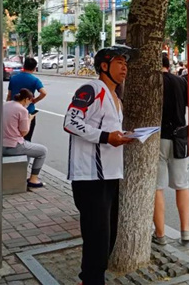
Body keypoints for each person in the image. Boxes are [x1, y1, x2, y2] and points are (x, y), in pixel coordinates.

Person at [64, 45, 136, 285]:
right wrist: (107, 137)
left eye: (126, 63)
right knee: (97, 237)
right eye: (119, 62)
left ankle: (90, 278)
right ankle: (92, 280)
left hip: (110, 174)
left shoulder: (116, 97)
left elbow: (108, 130)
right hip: (90, 177)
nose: (125, 67)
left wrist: (123, 136)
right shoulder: (92, 89)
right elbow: (71, 122)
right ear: (104, 66)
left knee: (108, 235)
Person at [153, 54, 189, 245]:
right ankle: (185, 231)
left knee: (157, 187)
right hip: (180, 139)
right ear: (168, 65)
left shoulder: (152, 83)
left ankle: (160, 234)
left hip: (158, 138)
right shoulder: (181, 81)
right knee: (182, 185)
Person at [2, 89, 48, 188]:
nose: (30, 103)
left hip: (0, 144)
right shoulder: (22, 110)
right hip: (13, 145)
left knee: (29, 149)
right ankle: (33, 180)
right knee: (42, 151)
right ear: (26, 99)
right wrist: (29, 119)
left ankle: (20, 176)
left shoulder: (6, 105)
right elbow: (24, 132)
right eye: (31, 101)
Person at [6, 57, 46, 142]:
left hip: (13, 111)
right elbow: (44, 93)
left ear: (24, 66)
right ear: (34, 68)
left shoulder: (13, 78)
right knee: (27, 139)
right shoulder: (35, 80)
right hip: (28, 111)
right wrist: (34, 101)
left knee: (13, 137)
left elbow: (9, 96)